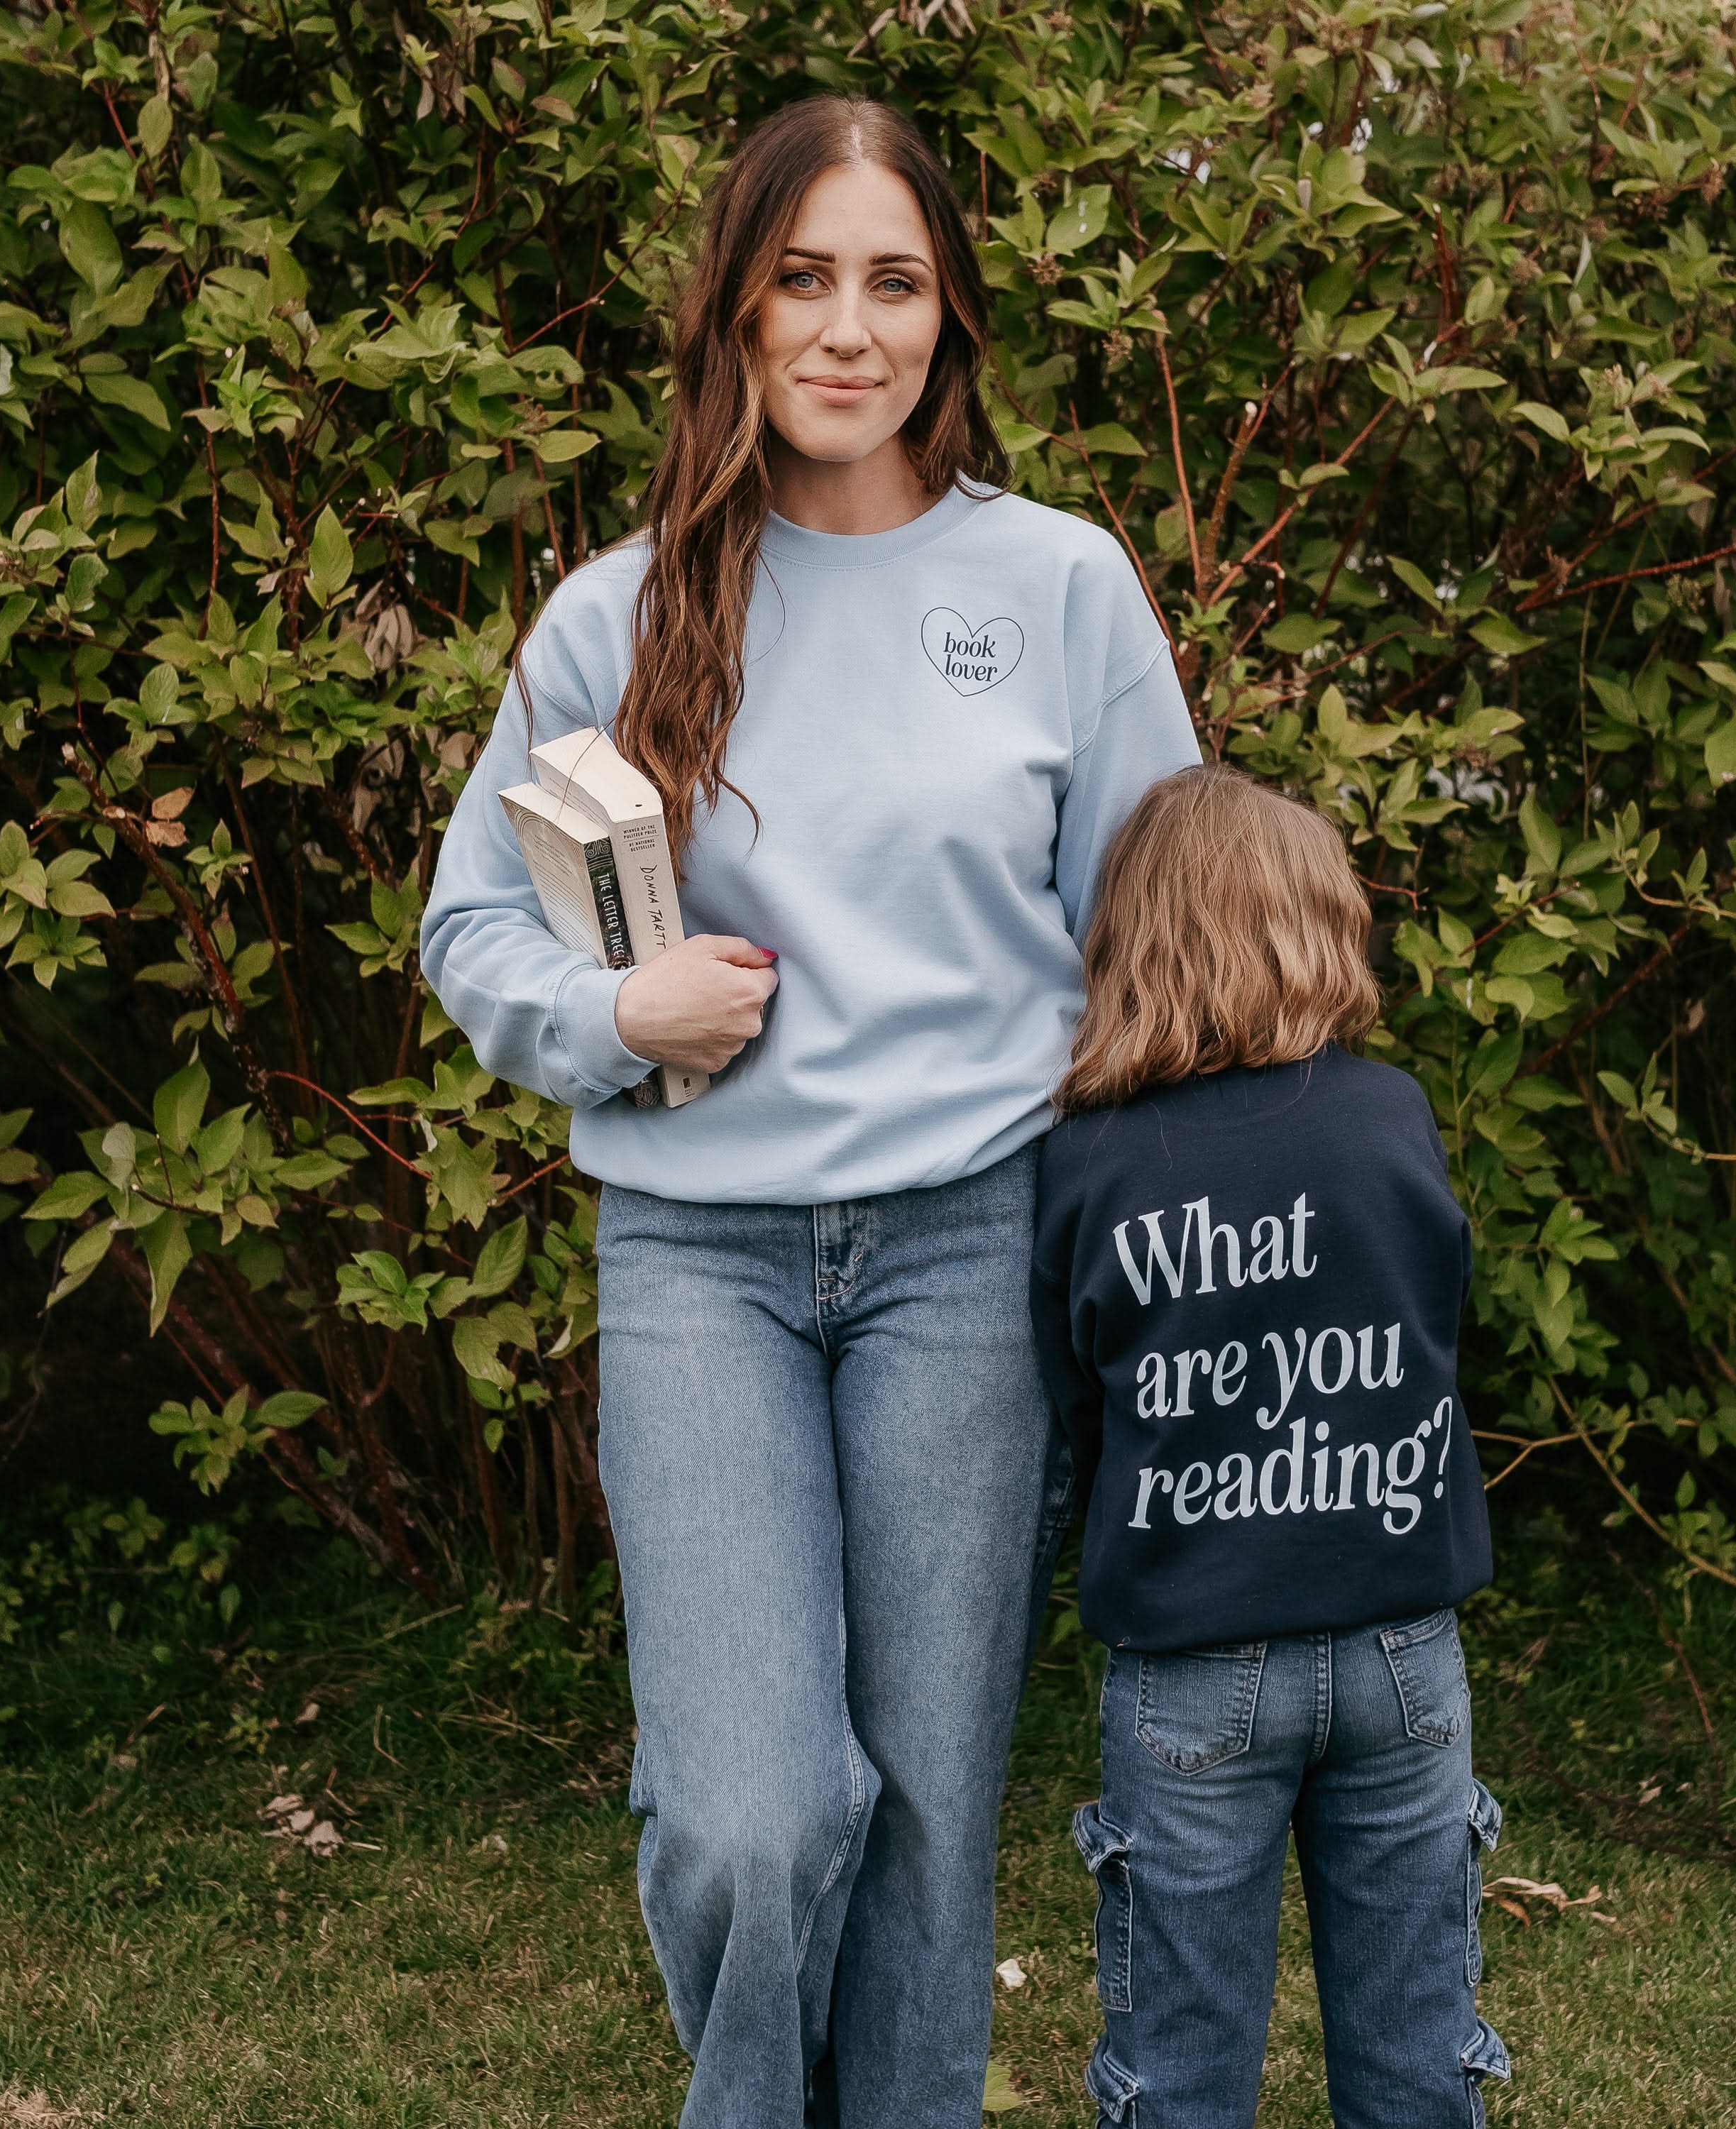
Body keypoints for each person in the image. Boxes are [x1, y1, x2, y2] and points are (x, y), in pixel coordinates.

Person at [419, 95, 1199, 2128]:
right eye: (806, 278)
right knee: (755, 1816)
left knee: (931, 1826)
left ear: (949, 315)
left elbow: (1163, 932)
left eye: (897, 281)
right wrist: (617, 1009)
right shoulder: (618, 614)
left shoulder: (1059, 589)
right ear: (738, 310)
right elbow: (468, 933)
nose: (851, 329)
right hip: (700, 1258)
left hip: (971, 1245)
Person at [1028, 766, 1509, 2129]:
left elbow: (1081, 1404)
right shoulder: (1389, 1116)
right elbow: (1432, 1318)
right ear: (1319, 923)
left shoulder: (1090, 1163)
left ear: (1131, 944)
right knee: (1420, 2053)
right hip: (1404, 1654)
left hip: (1191, 1669)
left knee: (1180, 2067)